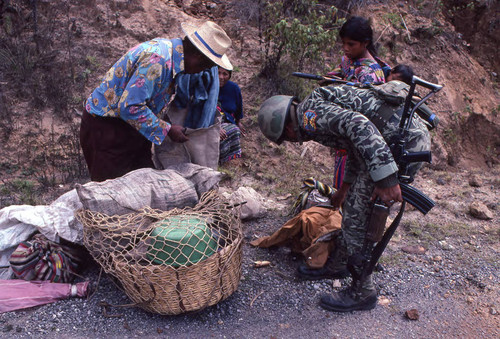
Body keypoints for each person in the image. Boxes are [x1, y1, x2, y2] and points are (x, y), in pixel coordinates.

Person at [257, 82, 431, 312]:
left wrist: (386, 178)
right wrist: (344, 189)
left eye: (287, 138)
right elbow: (354, 146)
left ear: (287, 129)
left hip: (401, 144)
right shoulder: (312, 109)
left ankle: (362, 291)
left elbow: (359, 126)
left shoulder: (311, 116)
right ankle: (338, 264)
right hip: (389, 141)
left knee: (361, 217)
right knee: (352, 208)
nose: (293, 140)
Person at [80, 21, 233, 182]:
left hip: (132, 128)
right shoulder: (158, 60)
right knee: (111, 192)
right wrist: (166, 129)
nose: (203, 71)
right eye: (206, 66)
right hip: (107, 128)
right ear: (197, 57)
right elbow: (129, 107)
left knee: (143, 184)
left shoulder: (171, 56)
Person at [326, 16, 390, 84]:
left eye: (351, 44)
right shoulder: (349, 61)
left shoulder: (369, 74)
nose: (345, 48)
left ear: (365, 43)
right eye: (343, 43)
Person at [217, 66, 245, 165]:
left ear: (229, 76)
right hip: (209, 121)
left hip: (226, 120)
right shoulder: (208, 85)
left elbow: (238, 106)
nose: (221, 77)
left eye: (225, 74)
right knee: (214, 135)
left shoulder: (233, 88)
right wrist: (215, 127)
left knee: (232, 131)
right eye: (218, 73)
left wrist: (238, 122)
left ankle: (222, 159)